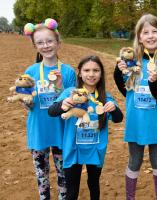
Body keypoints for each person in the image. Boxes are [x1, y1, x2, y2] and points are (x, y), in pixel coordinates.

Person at [114, 14, 157, 200]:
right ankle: (130, 197)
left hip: (155, 122)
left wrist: (153, 81)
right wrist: (118, 71)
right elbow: (126, 92)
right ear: (139, 37)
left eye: (154, 31)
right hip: (135, 121)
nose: (150, 36)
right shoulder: (132, 60)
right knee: (134, 161)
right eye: (145, 32)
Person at [48, 55, 123, 200]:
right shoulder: (71, 92)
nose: (91, 74)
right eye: (87, 70)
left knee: (93, 183)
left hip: (95, 148)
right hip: (73, 148)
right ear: (80, 73)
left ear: (101, 74)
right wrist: (63, 105)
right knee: (72, 188)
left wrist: (113, 109)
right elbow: (51, 111)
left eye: (96, 70)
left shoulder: (105, 97)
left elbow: (118, 118)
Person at [22, 18, 76, 200]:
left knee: (64, 175)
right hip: (39, 130)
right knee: (41, 174)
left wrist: (61, 88)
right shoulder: (30, 72)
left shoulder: (68, 72)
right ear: (35, 46)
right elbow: (28, 105)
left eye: (50, 41)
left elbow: (74, 101)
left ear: (58, 43)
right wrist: (26, 100)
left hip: (61, 131)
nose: (45, 45)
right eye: (40, 42)